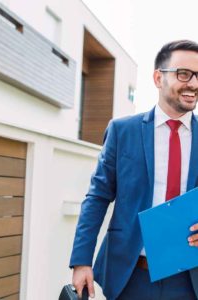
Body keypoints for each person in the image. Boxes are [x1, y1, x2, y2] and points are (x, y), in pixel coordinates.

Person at [70, 40, 198, 300]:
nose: (194, 84)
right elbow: (97, 197)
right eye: (184, 74)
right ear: (158, 77)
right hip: (130, 277)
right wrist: (81, 260)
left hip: (190, 282)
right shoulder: (122, 131)